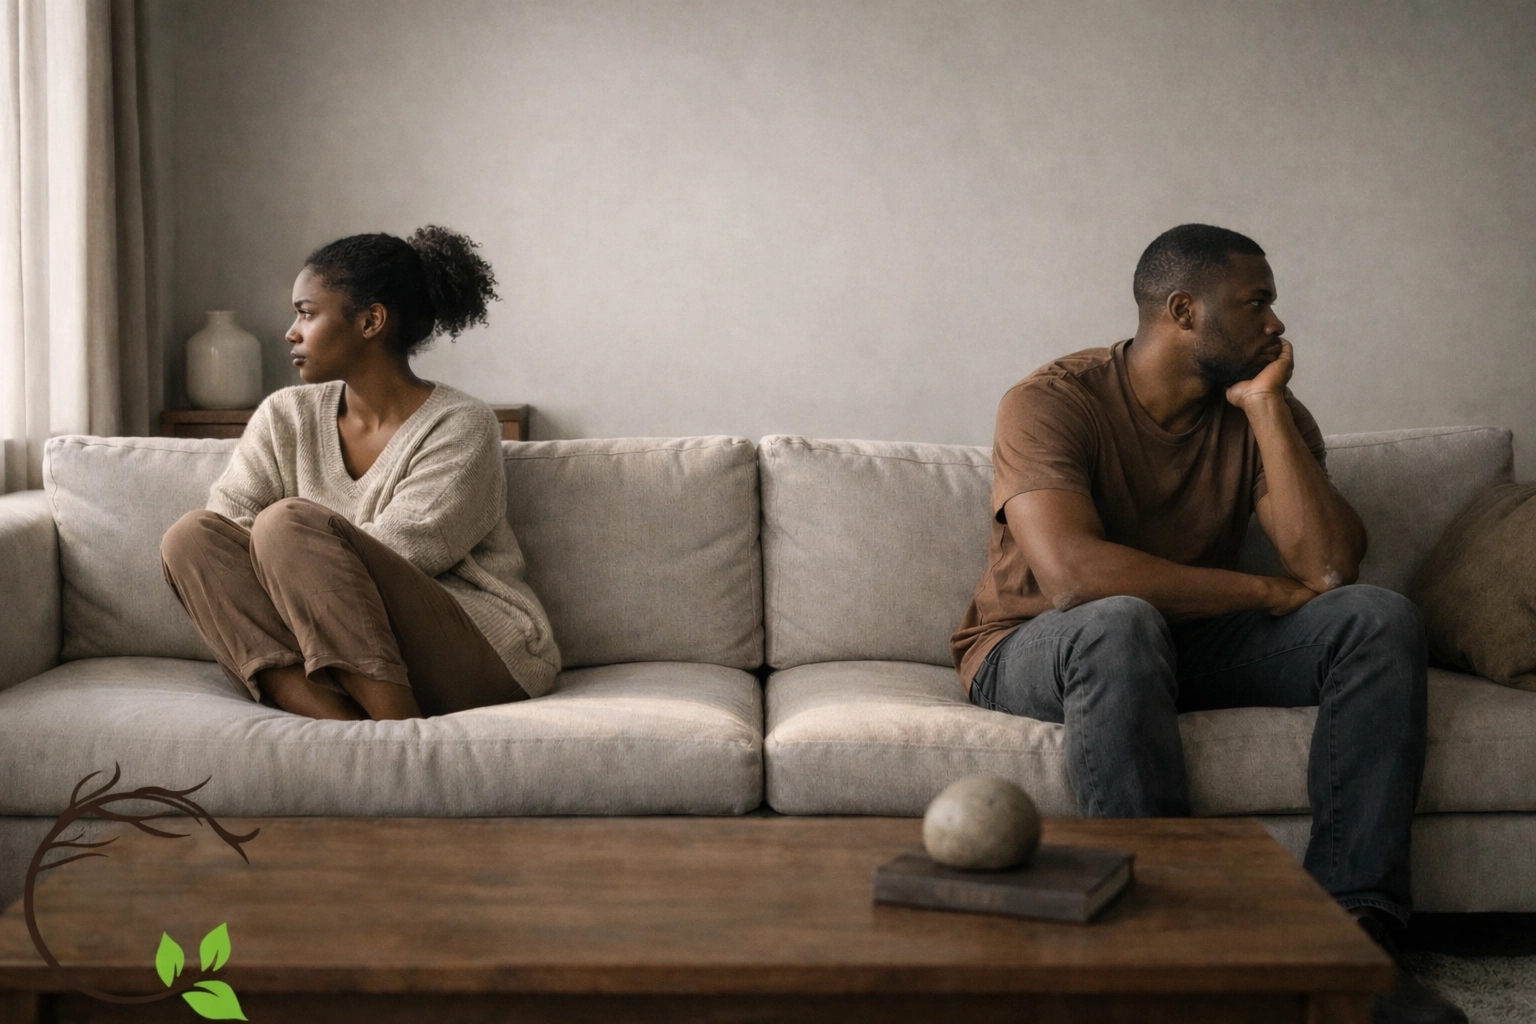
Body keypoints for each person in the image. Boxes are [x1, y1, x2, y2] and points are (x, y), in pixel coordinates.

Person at [951, 224, 1463, 1024]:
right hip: (1032, 643)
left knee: (1376, 618)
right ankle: (1165, 951)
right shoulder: (1051, 401)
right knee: (1119, 622)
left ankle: (1353, 942)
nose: (1276, 325)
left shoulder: (1267, 409)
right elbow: (1073, 578)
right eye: (1256, 303)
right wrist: (1258, 593)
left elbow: (1328, 571)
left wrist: (1264, 408)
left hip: (1178, 641)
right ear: (1184, 310)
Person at [160, 226, 560, 721]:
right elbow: (227, 529)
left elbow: (408, 552)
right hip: (332, 642)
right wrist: (290, 573)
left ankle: (396, 735)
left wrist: (292, 548)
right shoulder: (285, 414)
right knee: (190, 537)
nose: (291, 331)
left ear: (371, 321)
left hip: (476, 647)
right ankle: (338, 726)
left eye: (306, 312)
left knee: (286, 523)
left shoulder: (461, 423)